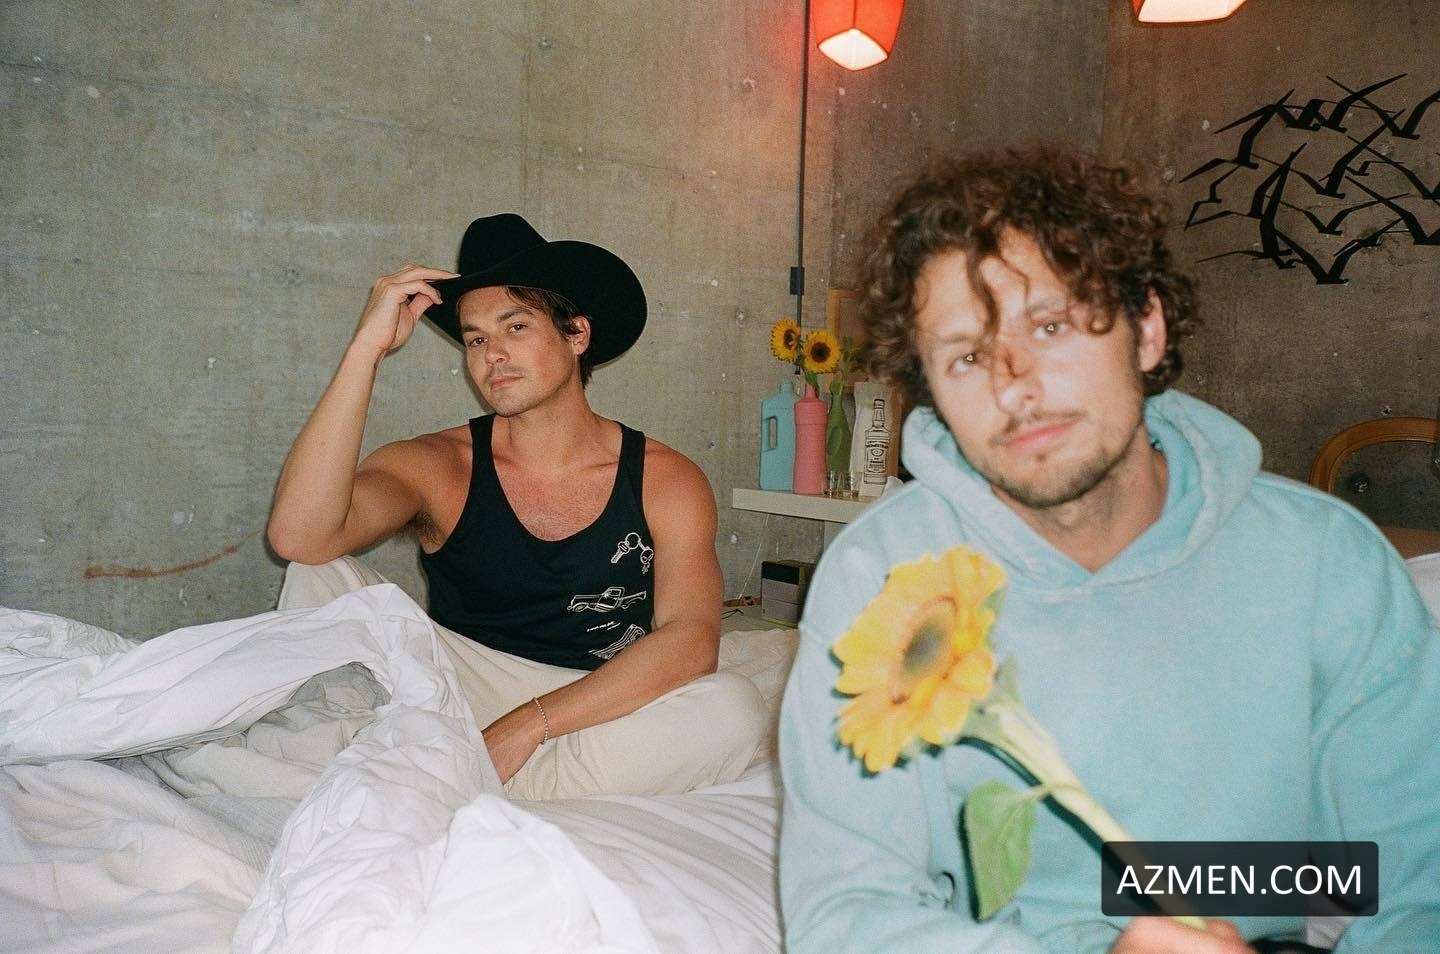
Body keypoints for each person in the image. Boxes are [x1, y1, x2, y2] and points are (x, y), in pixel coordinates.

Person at [778, 146, 1440, 951]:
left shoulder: (1327, 563)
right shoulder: (880, 576)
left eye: (1050, 325)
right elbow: (847, 911)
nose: (1014, 384)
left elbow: (1416, 892)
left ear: (1147, 330)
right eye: (967, 356)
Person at [267, 213, 765, 800]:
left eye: (517, 326)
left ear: (576, 335)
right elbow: (300, 537)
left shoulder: (665, 479)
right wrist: (365, 351)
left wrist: (528, 725)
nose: (492, 355)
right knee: (318, 571)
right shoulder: (438, 463)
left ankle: (448, 771)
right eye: (476, 339)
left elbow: (691, 640)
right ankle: (475, 772)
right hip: (459, 683)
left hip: (593, 701)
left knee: (732, 709)